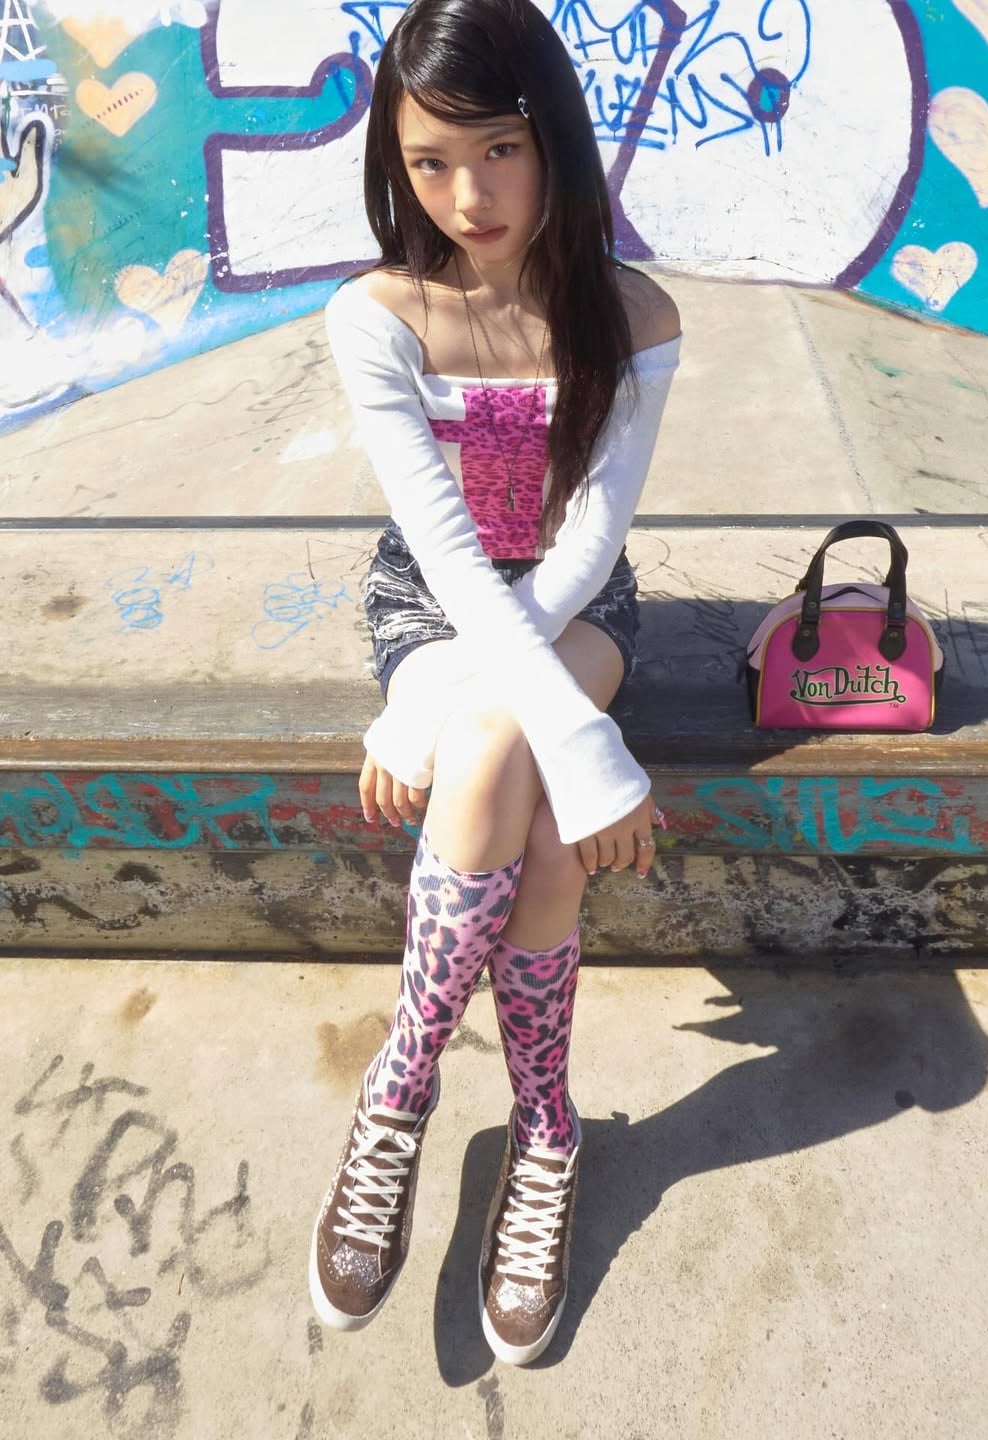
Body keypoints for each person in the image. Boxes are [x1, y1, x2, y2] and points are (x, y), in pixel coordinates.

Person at [309, 0, 680, 1366]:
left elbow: (586, 543)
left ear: (553, 142)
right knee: (535, 812)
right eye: (429, 161)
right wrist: (574, 748)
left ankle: (400, 1091)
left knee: (485, 745)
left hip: (578, 601)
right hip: (432, 595)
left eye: (499, 150)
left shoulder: (635, 316)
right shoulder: (378, 318)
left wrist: (535, 727)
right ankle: (536, 1126)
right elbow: (449, 553)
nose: (467, 196)